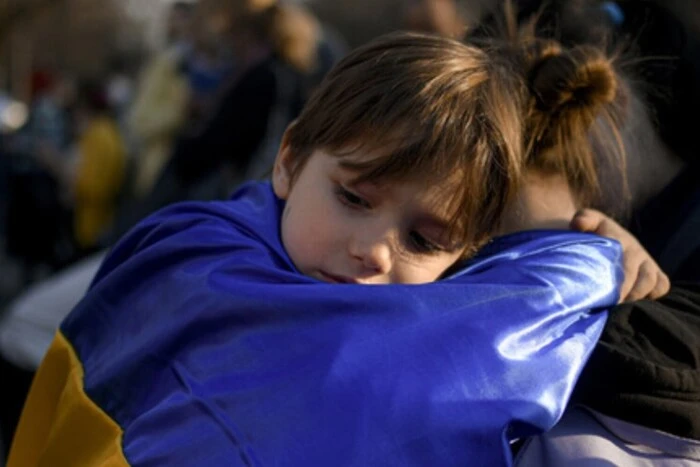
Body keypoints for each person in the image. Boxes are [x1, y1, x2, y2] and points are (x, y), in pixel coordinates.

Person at [8, 31, 665, 466]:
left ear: (465, 259)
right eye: (354, 197)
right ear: (289, 161)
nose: (375, 251)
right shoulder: (195, 253)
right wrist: (594, 261)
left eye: (423, 239)